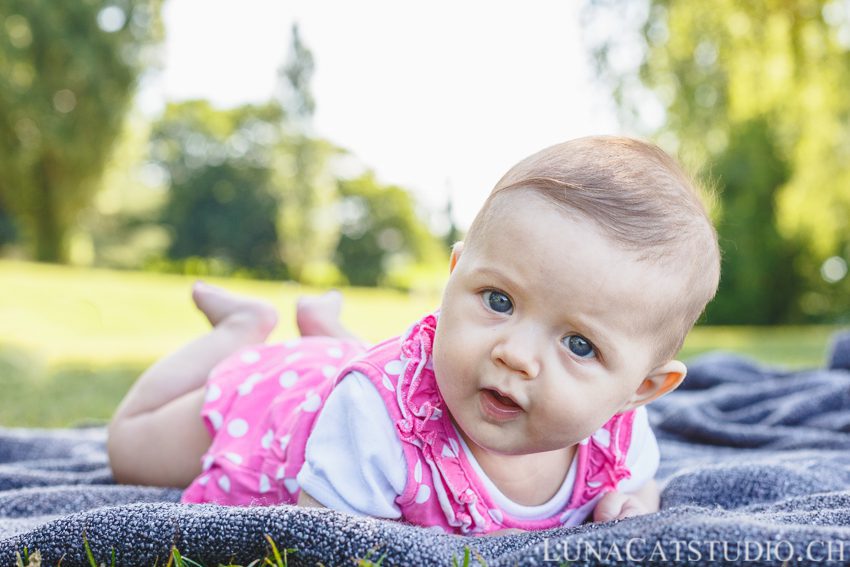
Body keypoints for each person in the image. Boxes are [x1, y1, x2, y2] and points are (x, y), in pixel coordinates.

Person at [107, 136, 720, 535]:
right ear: (454, 278)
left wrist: (638, 504)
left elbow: (639, 483)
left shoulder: (620, 438)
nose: (515, 354)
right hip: (280, 407)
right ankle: (242, 330)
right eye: (499, 301)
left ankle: (333, 332)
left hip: (356, 377)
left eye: (579, 345)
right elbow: (323, 540)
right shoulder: (372, 423)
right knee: (128, 450)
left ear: (639, 389)